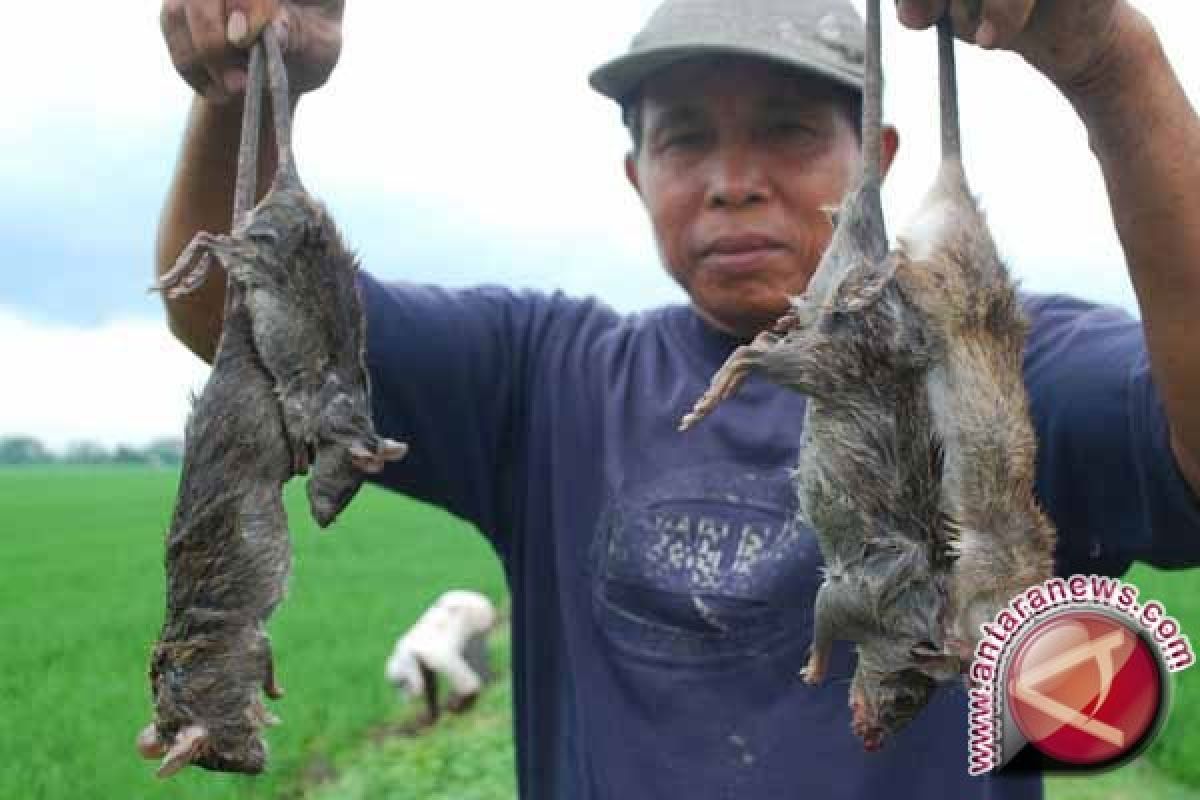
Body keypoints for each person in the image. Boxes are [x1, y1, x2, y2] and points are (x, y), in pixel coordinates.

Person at [156, 0, 1200, 797]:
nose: (732, 178)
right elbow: (232, 316)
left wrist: (1111, 59)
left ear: (875, 156)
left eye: (789, 130)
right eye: (686, 137)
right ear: (636, 171)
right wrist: (239, 92)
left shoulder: (992, 361)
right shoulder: (546, 375)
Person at [385, 589, 498, 730]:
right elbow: (427, 674)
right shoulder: (408, 648)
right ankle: (441, 709)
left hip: (475, 610)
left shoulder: (434, 653)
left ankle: (487, 684)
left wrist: (462, 701)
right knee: (457, 656)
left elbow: (471, 689)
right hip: (452, 602)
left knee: (477, 670)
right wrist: (433, 711)